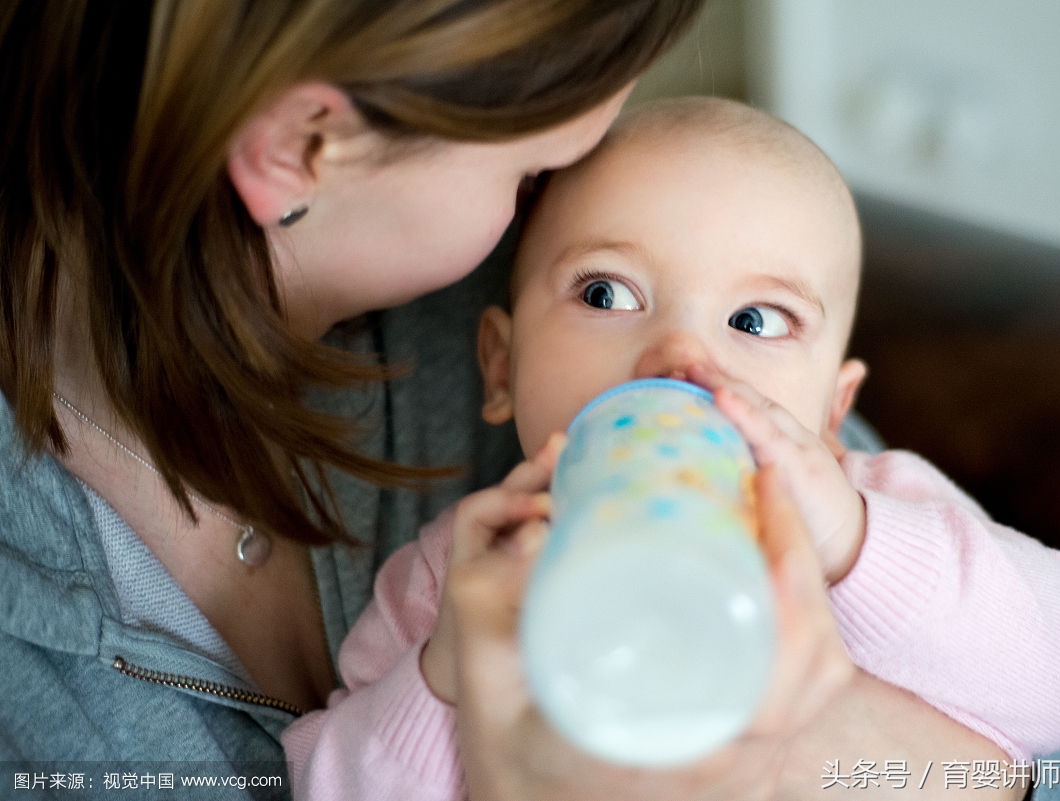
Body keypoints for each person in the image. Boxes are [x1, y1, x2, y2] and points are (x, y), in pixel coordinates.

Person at [282, 97, 1060, 799]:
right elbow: (322, 780)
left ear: (832, 408)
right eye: (606, 293)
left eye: (755, 320)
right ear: (500, 367)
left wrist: (855, 547)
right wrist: (442, 677)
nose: (683, 356)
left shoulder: (876, 508)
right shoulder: (464, 578)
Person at [0, 0, 704, 796]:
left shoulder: (535, 304)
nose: (548, 217)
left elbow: (831, 485)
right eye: (532, 174)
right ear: (298, 148)